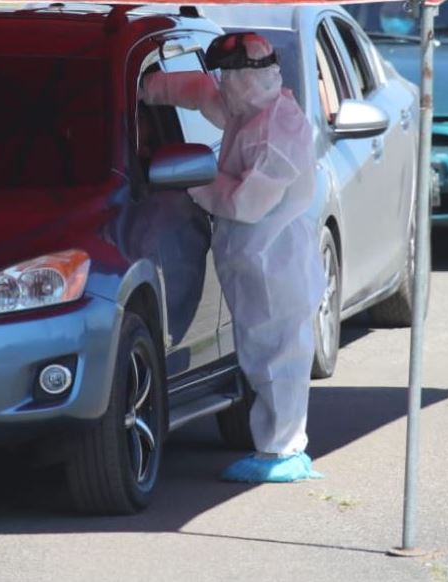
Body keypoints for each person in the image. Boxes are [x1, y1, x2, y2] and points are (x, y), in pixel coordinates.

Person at [140, 32, 325, 483]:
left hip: (275, 263)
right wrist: (150, 87)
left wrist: (195, 181)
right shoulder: (252, 106)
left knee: (278, 356)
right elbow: (203, 93)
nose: (222, 84)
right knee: (262, 354)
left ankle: (282, 451)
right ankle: (276, 447)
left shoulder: (280, 131)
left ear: (249, 76)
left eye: (230, 75)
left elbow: (246, 204)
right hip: (253, 258)